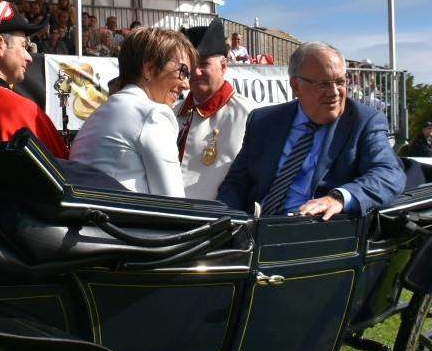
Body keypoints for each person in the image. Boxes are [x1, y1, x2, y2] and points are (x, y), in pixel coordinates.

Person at [217, 41, 406, 220]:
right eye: (323, 84)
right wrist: (231, 224)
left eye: (340, 82)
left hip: (316, 233)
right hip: (257, 229)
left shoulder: (364, 121)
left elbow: (389, 174)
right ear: (296, 86)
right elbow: (235, 183)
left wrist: (339, 198)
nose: (334, 92)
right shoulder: (263, 122)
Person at [70, 27, 194, 196]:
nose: (186, 84)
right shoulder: (154, 115)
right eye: (183, 71)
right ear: (149, 69)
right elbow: (174, 206)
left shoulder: (98, 115)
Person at [0, 0, 69, 159]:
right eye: (23, 45)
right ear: (0, 45)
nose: (29, 57)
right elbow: (66, 170)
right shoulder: (22, 112)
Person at [176, 19, 255, 200]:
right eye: (190, 65)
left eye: (203, 64)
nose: (195, 72)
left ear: (224, 66)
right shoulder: (172, 112)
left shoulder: (249, 115)